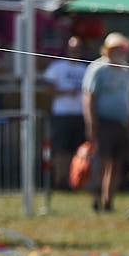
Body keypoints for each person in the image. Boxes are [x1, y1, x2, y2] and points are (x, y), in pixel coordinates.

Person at [82, 32, 129, 213]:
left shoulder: (127, 70)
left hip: (122, 124)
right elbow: (89, 97)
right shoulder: (97, 68)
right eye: (116, 48)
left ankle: (109, 202)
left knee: (117, 164)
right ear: (108, 49)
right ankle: (96, 200)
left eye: (123, 48)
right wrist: (91, 124)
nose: (120, 52)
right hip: (103, 123)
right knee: (101, 163)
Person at [43, 37, 88, 181]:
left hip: (80, 114)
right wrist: (67, 92)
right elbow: (49, 90)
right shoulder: (57, 67)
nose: (75, 52)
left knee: (77, 149)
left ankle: (75, 179)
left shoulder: (85, 69)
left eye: (78, 49)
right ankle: (59, 180)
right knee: (61, 149)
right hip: (62, 114)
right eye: (72, 49)